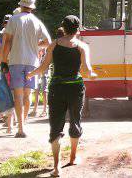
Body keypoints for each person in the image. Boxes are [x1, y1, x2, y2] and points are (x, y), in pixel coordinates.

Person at [27, 15, 92, 177]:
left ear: (63, 27)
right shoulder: (82, 47)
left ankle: (56, 167)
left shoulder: (54, 45)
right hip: (75, 88)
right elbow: (87, 71)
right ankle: (72, 157)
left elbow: (43, 67)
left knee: (56, 125)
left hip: (56, 88)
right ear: (78, 29)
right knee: (75, 121)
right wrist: (93, 73)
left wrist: (31, 74)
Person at [1, 0, 51, 137]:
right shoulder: (37, 21)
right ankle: (25, 123)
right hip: (32, 62)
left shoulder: (13, 19)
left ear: (21, 5)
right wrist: (36, 45)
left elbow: (8, 41)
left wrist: (4, 60)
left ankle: (20, 128)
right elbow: (48, 41)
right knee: (28, 94)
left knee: (18, 95)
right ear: (32, 7)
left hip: (16, 60)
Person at [30, 48, 49, 117]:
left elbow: (45, 66)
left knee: (44, 92)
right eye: (41, 49)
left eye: (43, 49)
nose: (41, 50)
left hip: (44, 76)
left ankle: (45, 110)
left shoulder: (46, 56)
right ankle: (35, 110)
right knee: (36, 92)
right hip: (37, 76)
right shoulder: (37, 57)